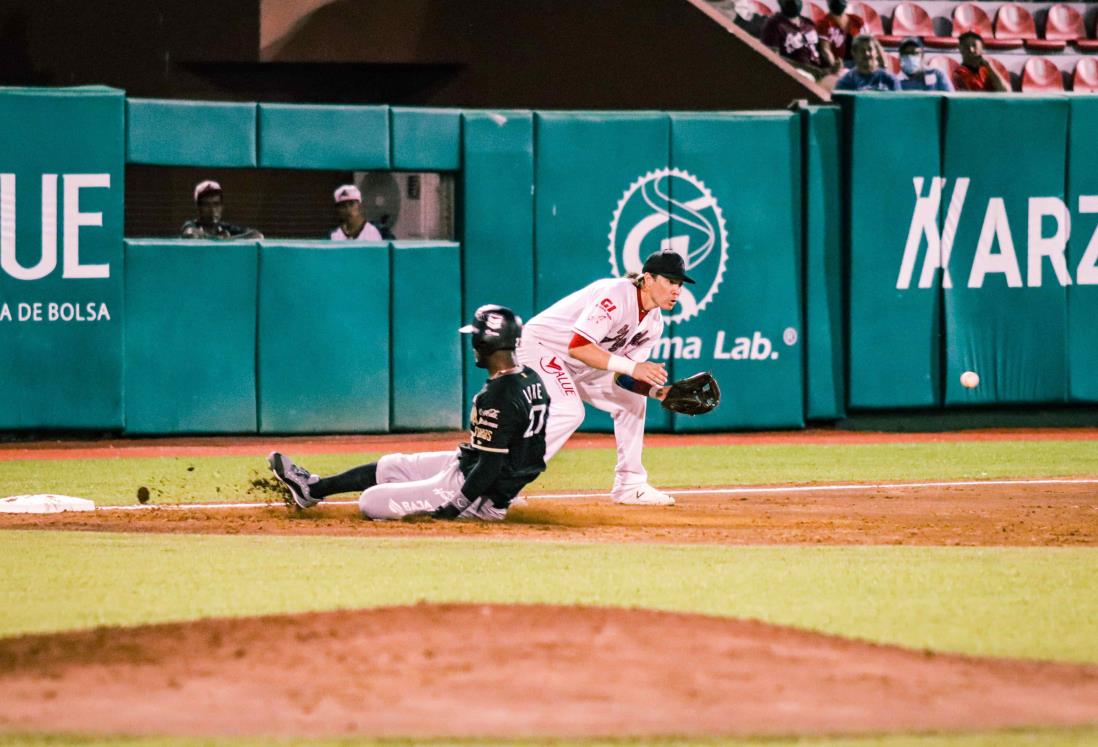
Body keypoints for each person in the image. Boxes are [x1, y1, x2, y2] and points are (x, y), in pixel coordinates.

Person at [268, 304, 550, 522]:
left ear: (485, 344)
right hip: (477, 472)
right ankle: (311, 490)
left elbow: (490, 466)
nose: (472, 344)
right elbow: (524, 454)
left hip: (479, 493)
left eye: (475, 338)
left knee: (370, 501)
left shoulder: (497, 395)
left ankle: (487, 508)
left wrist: (453, 508)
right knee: (393, 465)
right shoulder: (530, 377)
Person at [515, 250, 691, 506]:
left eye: (680, 284)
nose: (677, 290)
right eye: (670, 281)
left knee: (632, 401)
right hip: (540, 348)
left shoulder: (654, 323)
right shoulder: (616, 295)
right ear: (648, 279)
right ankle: (503, 483)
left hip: (581, 365)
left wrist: (656, 392)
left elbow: (623, 376)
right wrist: (634, 368)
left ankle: (630, 484)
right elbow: (578, 346)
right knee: (569, 412)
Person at [761, 0, 831, 82]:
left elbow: (820, 50)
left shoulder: (808, 23)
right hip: (797, 76)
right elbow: (772, 58)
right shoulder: (773, 25)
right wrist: (809, 70)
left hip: (820, 73)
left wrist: (831, 68)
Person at [179, 180, 263, 240]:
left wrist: (229, 239)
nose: (212, 210)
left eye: (216, 204)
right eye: (206, 205)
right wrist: (221, 240)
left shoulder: (225, 227)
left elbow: (256, 235)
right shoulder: (191, 225)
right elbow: (190, 234)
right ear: (198, 207)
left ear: (222, 207)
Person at [834, 34, 902, 90]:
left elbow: (899, 104)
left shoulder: (890, 79)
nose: (867, 53)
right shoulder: (846, 81)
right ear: (854, 53)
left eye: (870, 49)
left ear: (876, 52)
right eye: (862, 50)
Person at [816, 0, 864, 73]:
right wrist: (834, 66)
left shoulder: (856, 21)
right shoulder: (824, 24)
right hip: (839, 65)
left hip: (859, 62)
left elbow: (869, 42)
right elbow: (825, 50)